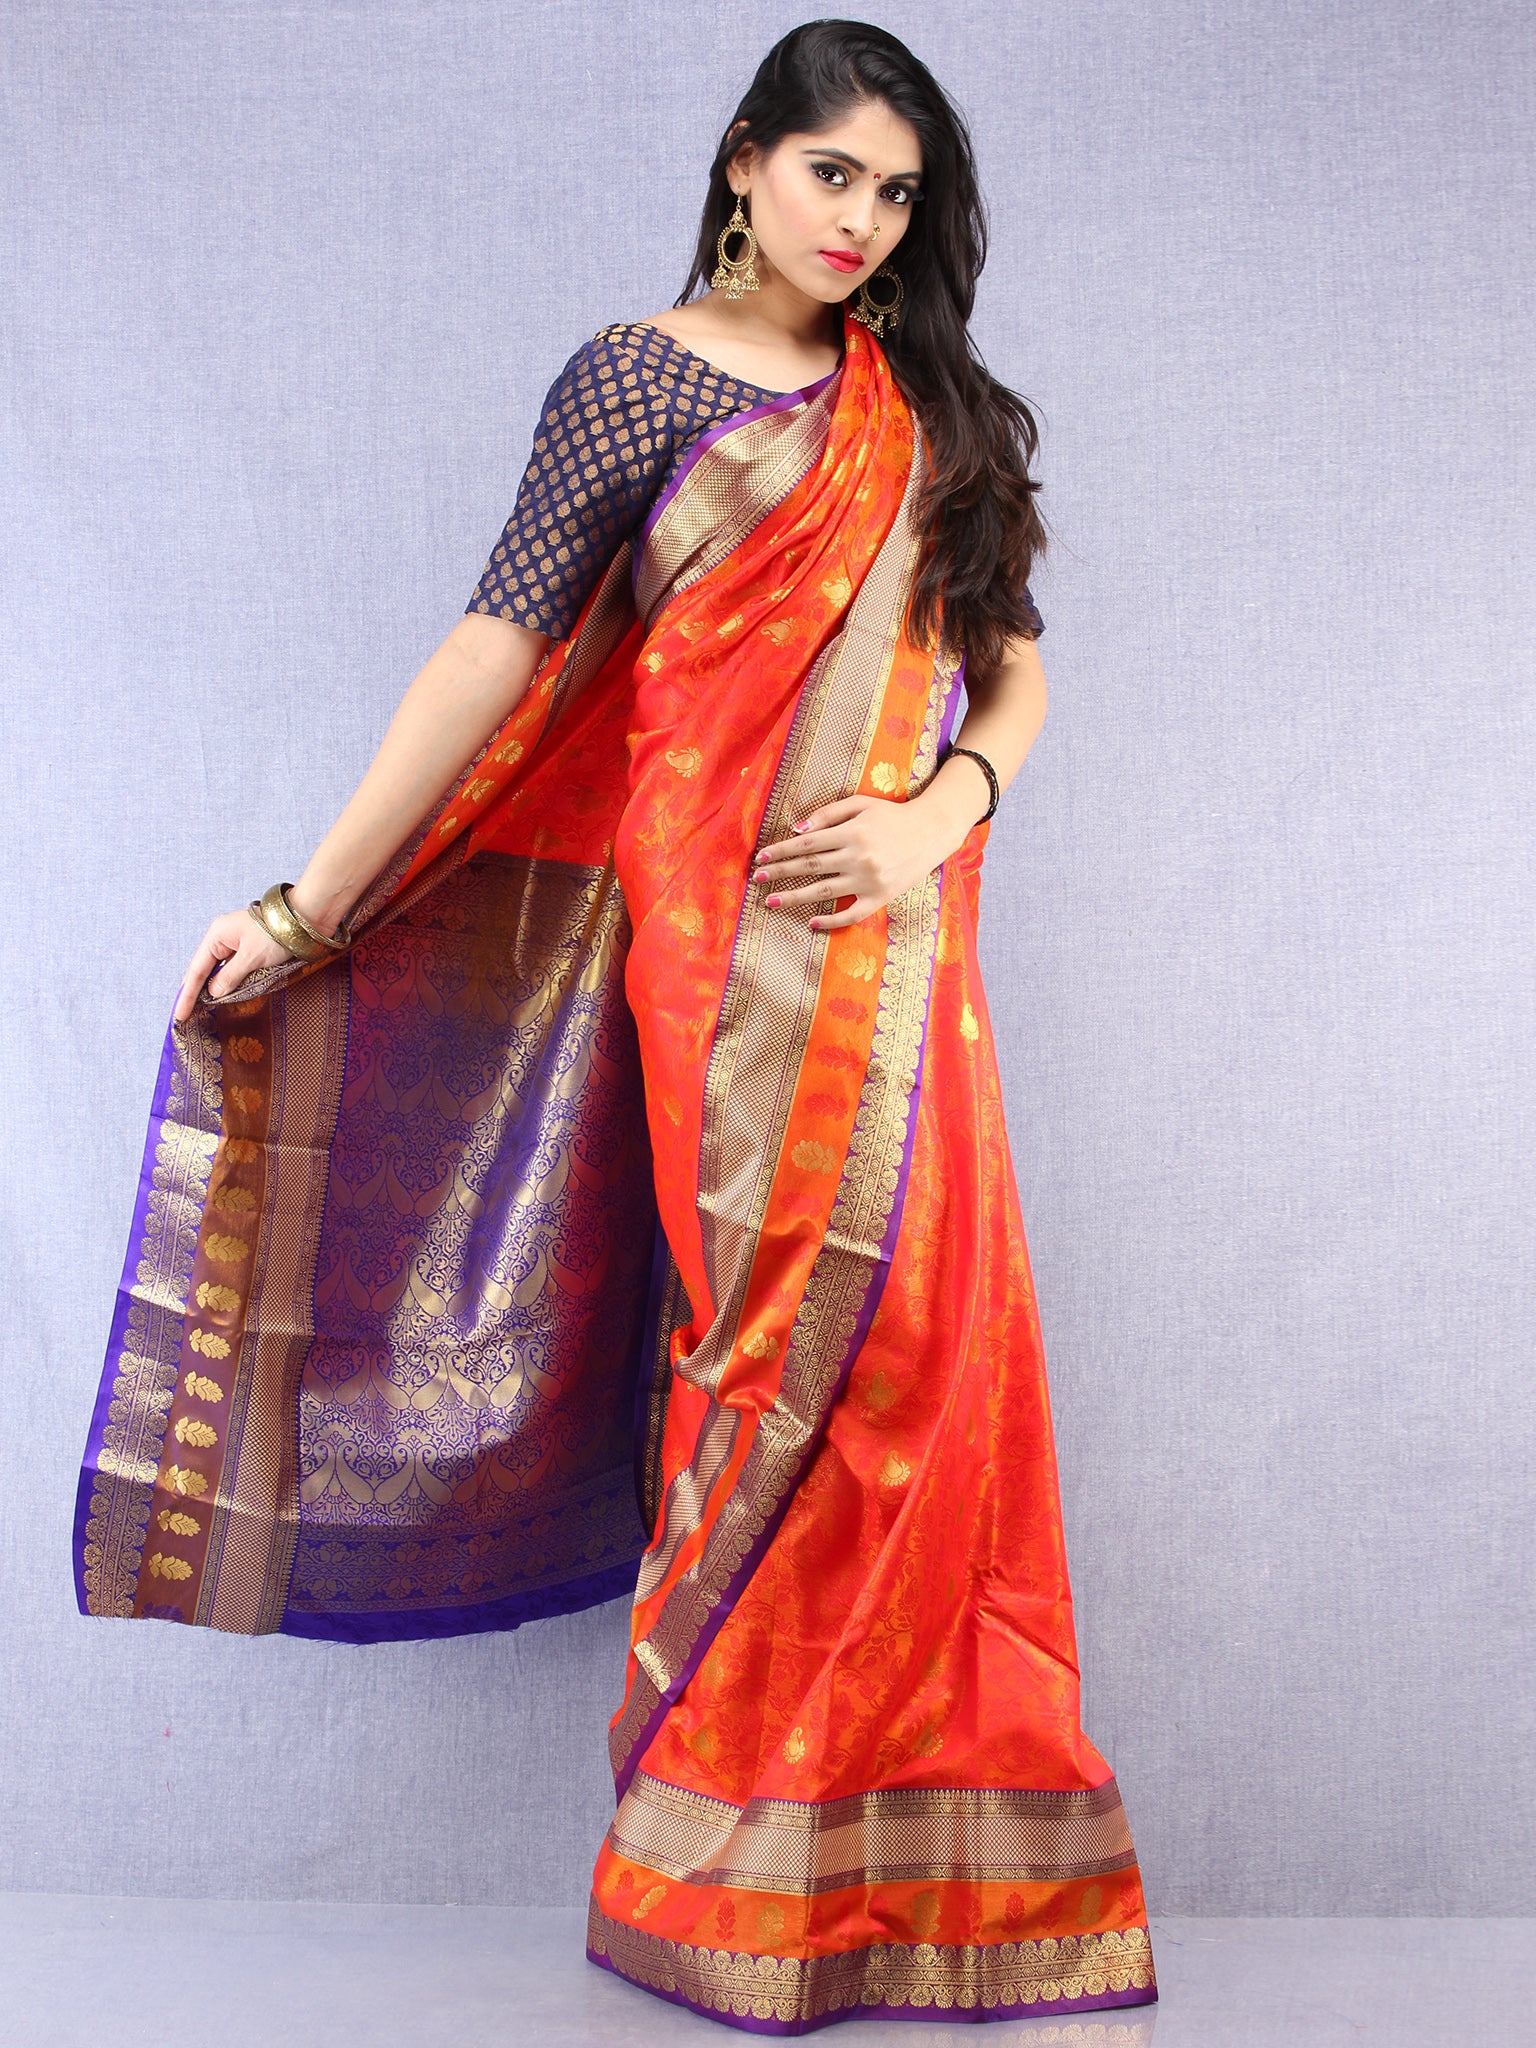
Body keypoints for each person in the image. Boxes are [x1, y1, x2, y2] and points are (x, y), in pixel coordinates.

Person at [73, 18, 1157, 2033]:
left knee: (923, 1375)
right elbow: (495, 648)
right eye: (832, 173)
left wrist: (941, 810)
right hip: (714, 967)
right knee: (762, 1368)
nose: (862, 221)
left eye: (897, 193)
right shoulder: (636, 381)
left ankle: (906, 1877)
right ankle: (731, 1868)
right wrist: (306, 903)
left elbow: (1012, 674)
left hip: (903, 966)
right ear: (745, 161)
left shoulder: (924, 409)